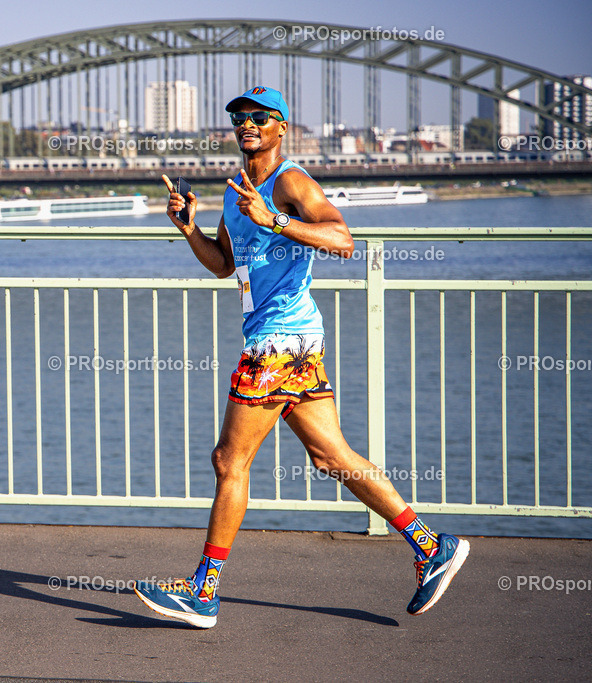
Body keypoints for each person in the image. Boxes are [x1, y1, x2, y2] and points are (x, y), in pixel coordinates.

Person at [133, 86, 469, 629]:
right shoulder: (237, 190)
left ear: (281, 126)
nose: (247, 124)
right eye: (240, 117)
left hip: (280, 342)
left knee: (229, 461)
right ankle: (433, 546)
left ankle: (203, 592)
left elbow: (342, 240)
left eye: (260, 117)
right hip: (288, 342)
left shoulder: (289, 181)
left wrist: (276, 220)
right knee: (331, 456)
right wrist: (189, 228)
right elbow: (222, 265)